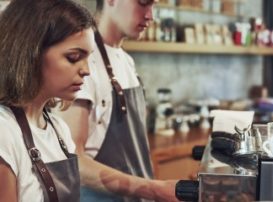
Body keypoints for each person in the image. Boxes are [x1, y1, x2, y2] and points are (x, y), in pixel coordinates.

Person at [57, 0, 179, 201]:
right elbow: (72, 160)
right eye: (143, 3)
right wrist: (155, 189)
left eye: (153, 6)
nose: (150, 15)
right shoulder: (83, 63)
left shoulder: (126, 60)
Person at [0, 0, 95, 201]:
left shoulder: (59, 130)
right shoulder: (4, 132)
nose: (86, 70)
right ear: (31, 52)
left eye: (88, 58)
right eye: (73, 57)